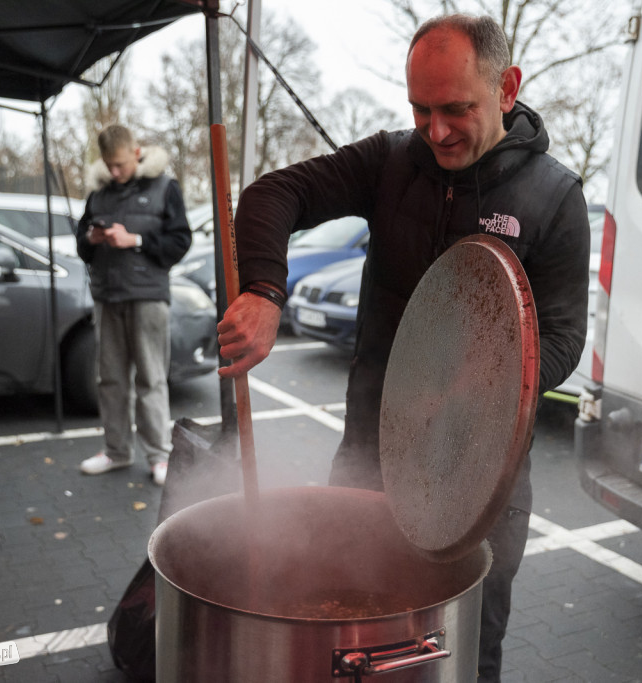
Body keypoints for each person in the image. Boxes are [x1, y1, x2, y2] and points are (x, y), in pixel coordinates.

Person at [216, 14, 590, 682]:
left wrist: (489, 372)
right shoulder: (389, 162)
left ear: (507, 88)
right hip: (370, 462)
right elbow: (274, 194)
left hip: (482, 489)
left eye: (456, 108)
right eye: (420, 108)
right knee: (345, 634)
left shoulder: (555, 197)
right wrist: (266, 290)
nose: (436, 130)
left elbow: (563, 338)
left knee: (466, 650)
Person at [75, 124, 191, 486]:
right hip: (107, 297)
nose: (114, 172)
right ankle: (117, 451)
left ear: (136, 152)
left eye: (120, 164)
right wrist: (91, 239)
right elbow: (82, 248)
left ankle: (161, 457)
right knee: (109, 380)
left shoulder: (165, 187)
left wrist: (136, 240)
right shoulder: (98, 193)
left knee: (151, 378)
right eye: (108, 164)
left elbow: (180, 241)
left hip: (147, 297)